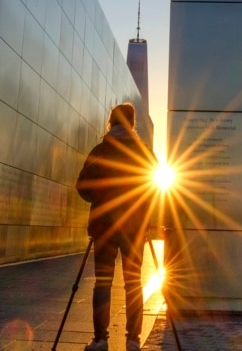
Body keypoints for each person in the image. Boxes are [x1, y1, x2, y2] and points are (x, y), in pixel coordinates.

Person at [76, 102, 157, 351]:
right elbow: (154, 190)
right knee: (133, 283)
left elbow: (82, 186)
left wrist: (101, 198)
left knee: (103, 282)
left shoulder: (100, 150)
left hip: (104, 227)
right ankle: (133, 340)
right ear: (132, 124)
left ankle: (100, 339)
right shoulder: (144, 152)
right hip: (134, 228)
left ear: (110, 122)